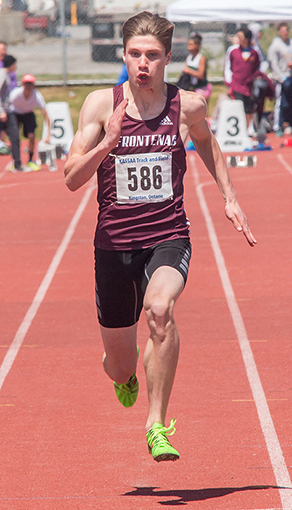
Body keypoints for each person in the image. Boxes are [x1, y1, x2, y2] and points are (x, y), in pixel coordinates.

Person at [64, 11, 257, 463]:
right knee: (120, 368)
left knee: (160, 310)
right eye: (134, 54)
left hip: (168, 234)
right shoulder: (99, 105)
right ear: (124, 56)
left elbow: (207, 142)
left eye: (152, 55)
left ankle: (156, 424)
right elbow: (72, 178)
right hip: (113, 246)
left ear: (169, 57)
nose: (143, 63)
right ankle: (125, 371)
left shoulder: (187, 106)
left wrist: (228, 196)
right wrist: (107, 142)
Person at [9, 73, 51, 171]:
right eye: (26, 84)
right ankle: (16, 161)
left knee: (32, 136)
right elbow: (6, 105)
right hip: (15, 113)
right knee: (15, 137)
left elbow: (46, 114)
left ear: (34, 85)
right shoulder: (15, 94)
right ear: (22, 84)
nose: (28, 86)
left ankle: (31, 160)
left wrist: (48, 134)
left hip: (28, 114)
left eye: (30, 84)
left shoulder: (37, 96)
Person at [224, 27, 260, 134]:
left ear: (247, 38)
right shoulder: (233, 51)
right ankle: (239, 128)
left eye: (241, 37)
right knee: (238, 105)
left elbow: (258, 67)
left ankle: (250, 127)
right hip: (236, 84)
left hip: (249, 85)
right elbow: (227, 66)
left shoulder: (254, 52)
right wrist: (229, 81)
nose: (238, 39)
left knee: (249, 107)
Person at [267, 22, 292, 135]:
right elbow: (273, 63)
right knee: (281, 102)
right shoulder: (275, 45)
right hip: (282, 78)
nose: (285, 33)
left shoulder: (290, 43)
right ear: (279, 32)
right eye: (282, 31)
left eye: (286, 30)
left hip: (290, 76)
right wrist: (281, 77)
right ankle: (278, 126)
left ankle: (289, 123)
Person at [0, 55, 22, 171]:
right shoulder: (2, 74)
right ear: (12, 64)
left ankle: (17, 164)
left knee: (15, 137)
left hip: (8, 111)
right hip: (3, 112)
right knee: (14, 136)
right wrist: (1, 111)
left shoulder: (7, 75)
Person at [177, 33, 212, 101]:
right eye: (188, 45)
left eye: (191, 45)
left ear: (197, 46)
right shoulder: (189, 57)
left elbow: (201, 75)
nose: (188, 47)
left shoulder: (201, 58)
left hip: (200, 87)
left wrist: (189, 71)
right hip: (190, 87)